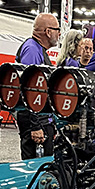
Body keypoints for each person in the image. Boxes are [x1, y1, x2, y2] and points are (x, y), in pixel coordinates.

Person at [14, 13, 59, 159]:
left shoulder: (38, 49)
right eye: (57, 30)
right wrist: (35, 126)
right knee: (35, 165)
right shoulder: (32, 50)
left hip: (41, 119)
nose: (59, 34)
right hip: (35, 121)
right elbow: (29, 90)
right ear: (48, 32)